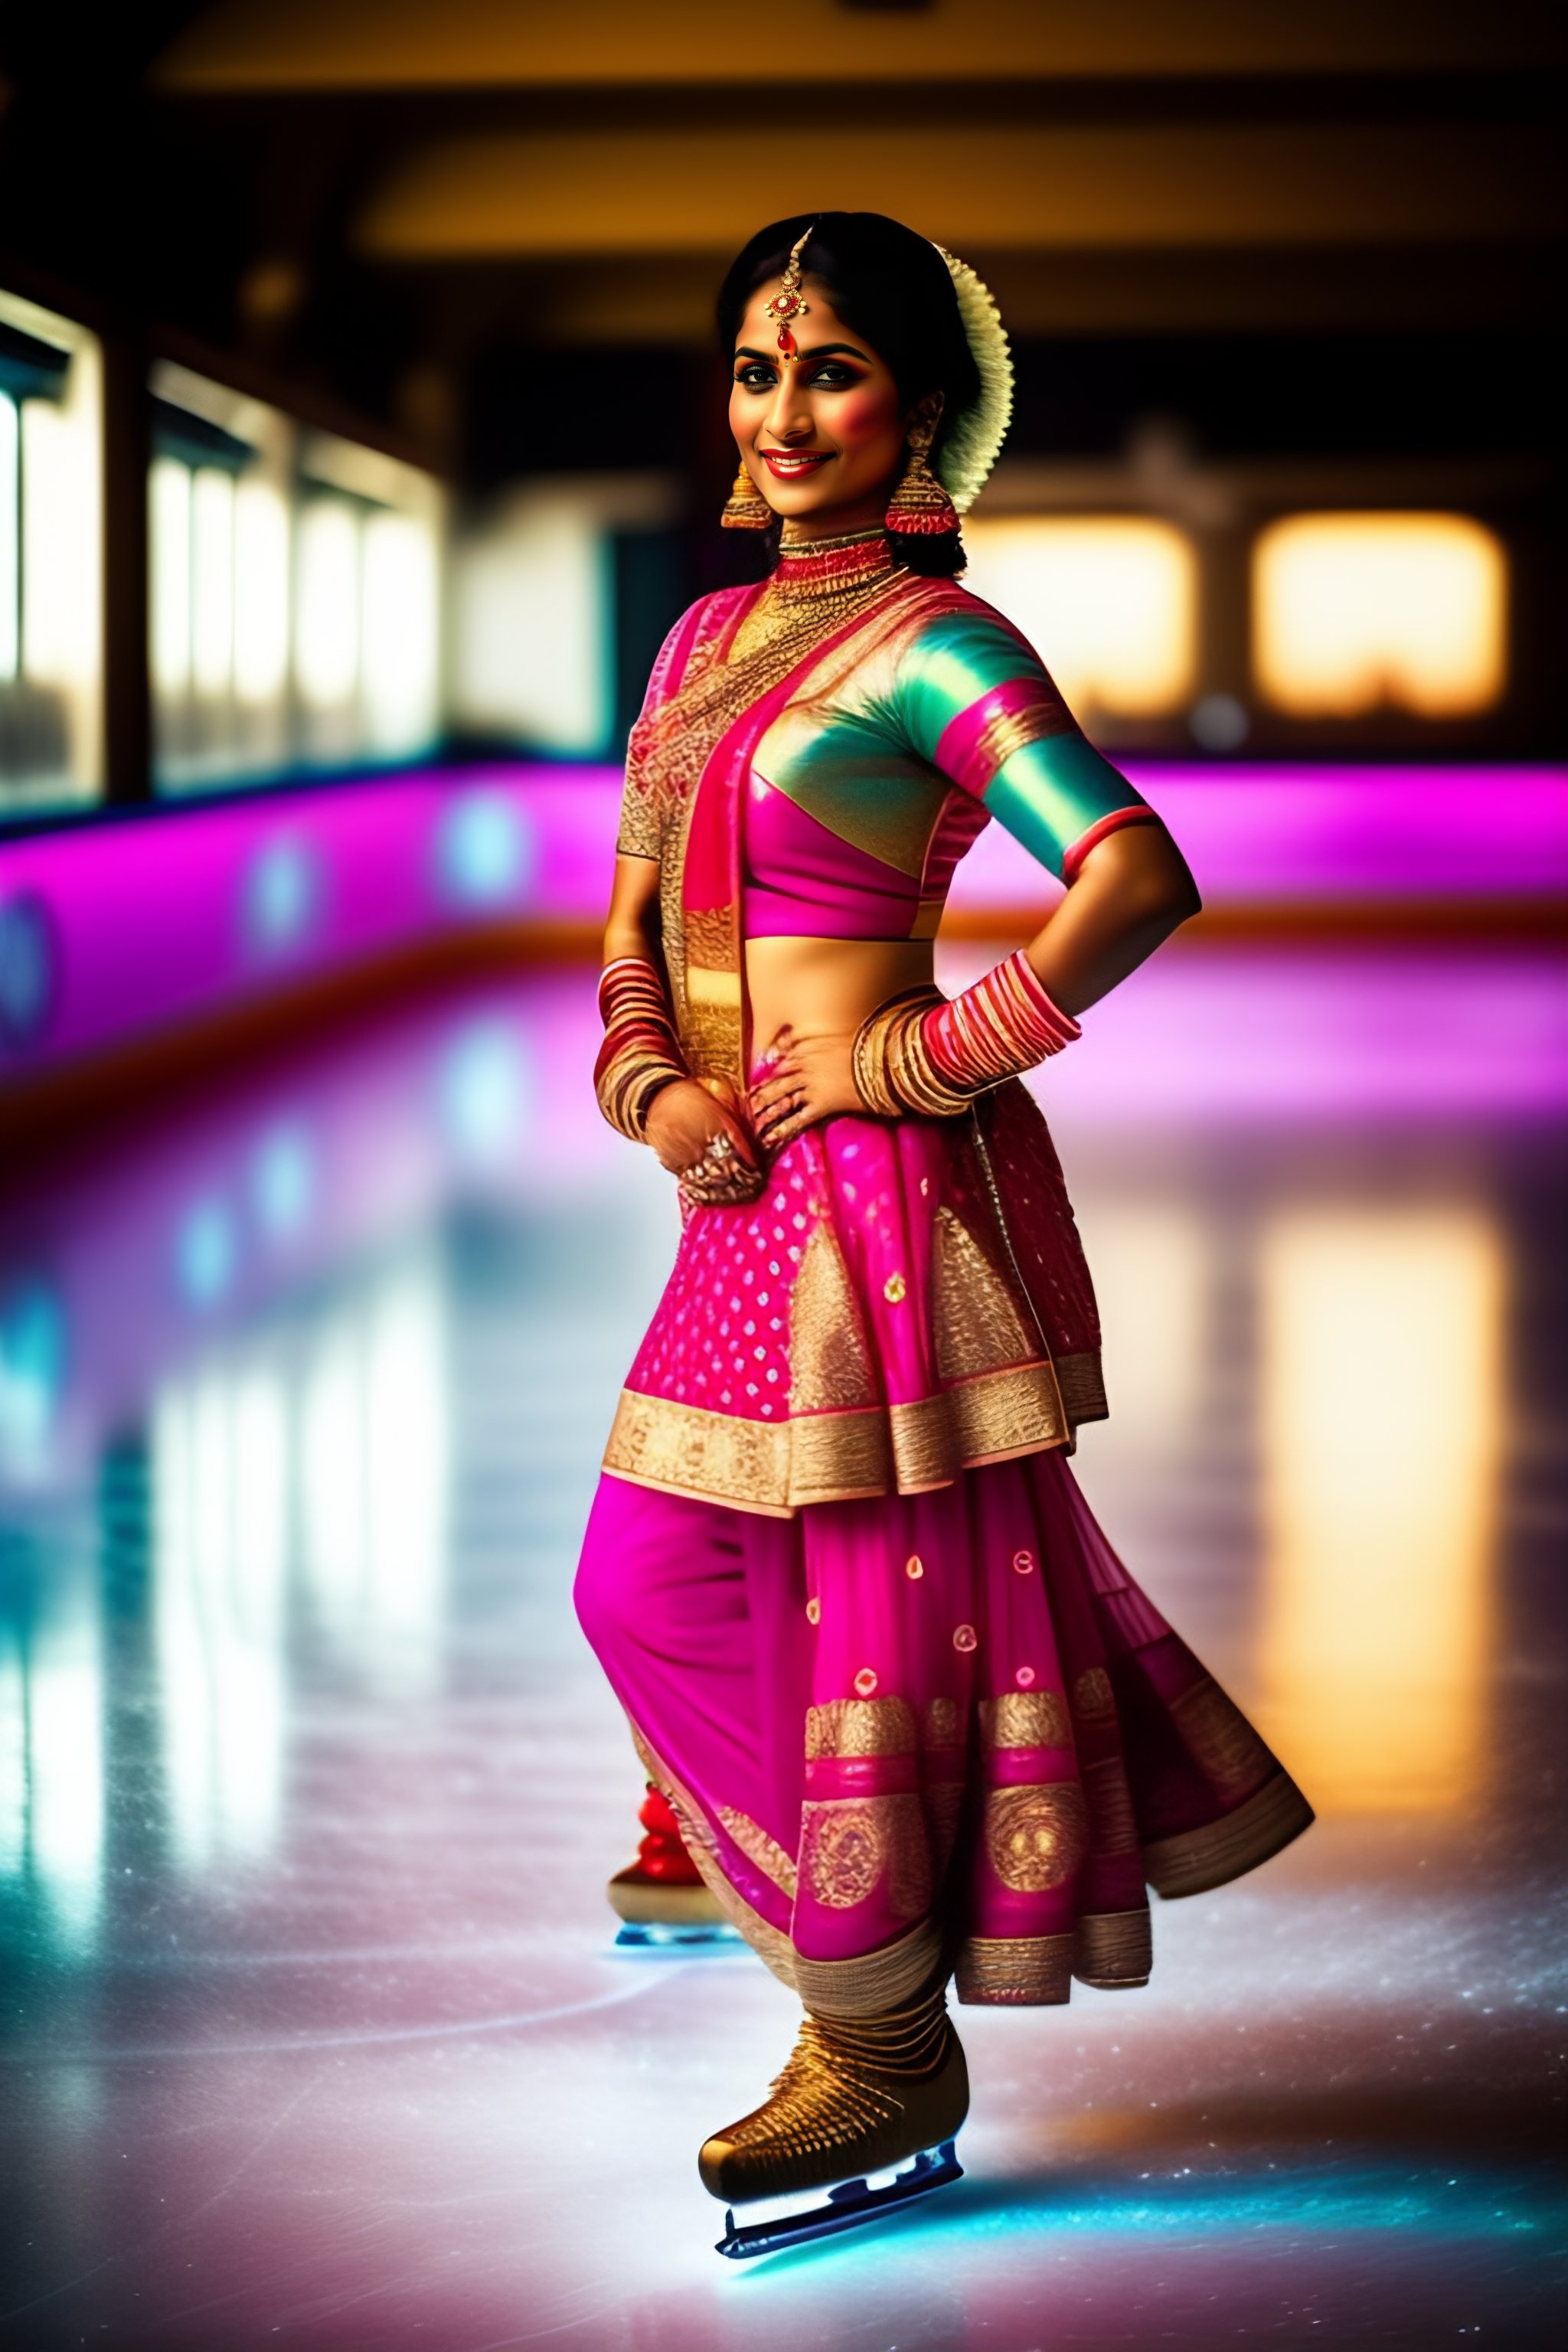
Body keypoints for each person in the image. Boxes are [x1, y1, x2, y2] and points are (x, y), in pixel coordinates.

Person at [575, 212, 1311, 2251]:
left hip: (890, 1204)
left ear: (920, 410)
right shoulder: (699, 644)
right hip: (742, 1198)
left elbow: (1133, 874)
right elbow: (633, 935)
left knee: (879, 1631)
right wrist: (657, 1087)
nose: (781, 409)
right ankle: (850, 1964)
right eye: (754, 368)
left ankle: (876, 2040)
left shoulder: (940, 643)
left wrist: (927, 1056)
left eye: (827, 370)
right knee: (651, 1587)